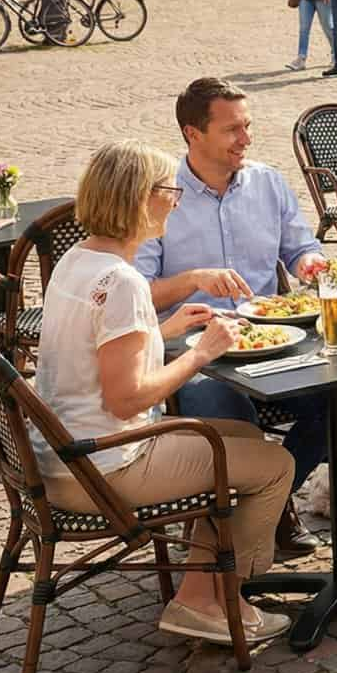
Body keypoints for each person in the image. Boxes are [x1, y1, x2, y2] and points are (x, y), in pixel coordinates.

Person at [34, 140, 294, 644]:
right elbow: (126, 399)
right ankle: (229, 597)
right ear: (140, 199)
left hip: (63, 456)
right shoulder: (123, 281)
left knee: (241, 432)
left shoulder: (76, 260)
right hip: (104, 466)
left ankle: (198, 595)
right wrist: (201, 353)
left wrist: (168, 329)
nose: (176, 199)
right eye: (169, 190)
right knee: (273, 466)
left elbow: (99, 352)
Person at [134, 77, 337, 558]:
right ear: (193, 133)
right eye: (232, 129)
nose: (246, 138)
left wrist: (308, 263)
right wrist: (192, 279)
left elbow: (302, 248)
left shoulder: (268, 182)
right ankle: (267, 513)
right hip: (192, 352)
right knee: (232, 413)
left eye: (248, 126)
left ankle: (269, 503)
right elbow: (139, 293)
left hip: (272, 340)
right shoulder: (162, 195)